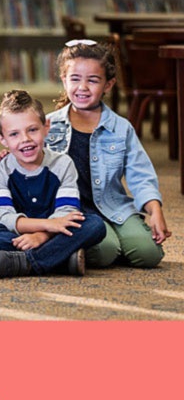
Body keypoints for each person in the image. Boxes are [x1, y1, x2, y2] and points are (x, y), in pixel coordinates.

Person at [46, 39, 171, 268]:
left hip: (114, 207)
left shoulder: (121, 128)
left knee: (149, 254)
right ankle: (92, 245)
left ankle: (92, 245)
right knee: (104, 253)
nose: (82, 88)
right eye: (75, 79)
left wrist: (155, 210)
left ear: (108, 85)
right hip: (73, 211)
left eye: (93, 80)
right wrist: (7, 157)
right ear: (64, 80)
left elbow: (140, 174)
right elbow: (26, 156)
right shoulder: (47, 125)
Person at [0, 88, 106, 279]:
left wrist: (41, 237)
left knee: (95, 225)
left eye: (32, 130)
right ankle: (59, 258)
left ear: (46, 128)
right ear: (3, 140)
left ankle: (23, 262)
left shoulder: (63, 164)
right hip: (27, 230)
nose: (25, 139)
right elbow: (4, 217)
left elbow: (66, 212)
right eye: (14, 134)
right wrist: (47, 226)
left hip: (55, 229)